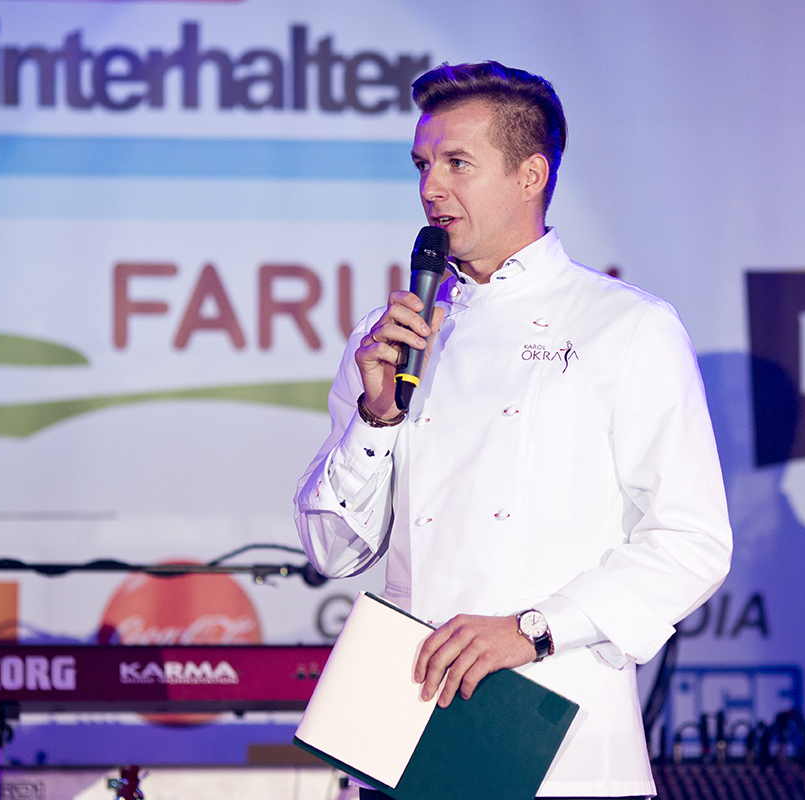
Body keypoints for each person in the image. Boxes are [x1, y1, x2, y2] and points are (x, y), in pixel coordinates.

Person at [294, 61, 732, 799]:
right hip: (405, 726)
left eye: (457, 163)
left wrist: (533, 628)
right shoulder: (391, 335)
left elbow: (692, 542)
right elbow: (332, 551)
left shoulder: (627, 326)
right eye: (423, 164)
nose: (432, 187)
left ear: (531, 175)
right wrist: (375, 418)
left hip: (559, 732)